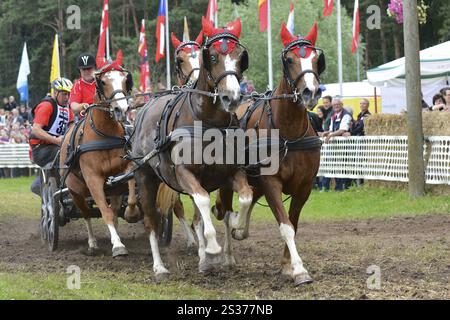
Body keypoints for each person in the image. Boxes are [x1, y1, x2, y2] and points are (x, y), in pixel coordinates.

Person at [29, 77, 74, 168]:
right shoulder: (46, 105)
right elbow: (36, 130)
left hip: (57, 146)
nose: (67, 98)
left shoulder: (67, 108)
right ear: (55, 92)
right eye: (64, 94)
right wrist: (56, 140)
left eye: (69, 94)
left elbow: (72, 127)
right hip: (40, 148)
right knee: (64, 153)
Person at [69, 53, 96, 117]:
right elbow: (73, 105)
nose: (86, 72)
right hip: (87, 118)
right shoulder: (77, 85)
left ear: (94, 68)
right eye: (84, 69)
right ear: (79, 71)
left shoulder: (102, 81)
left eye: (89, 68)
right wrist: (82, 106)